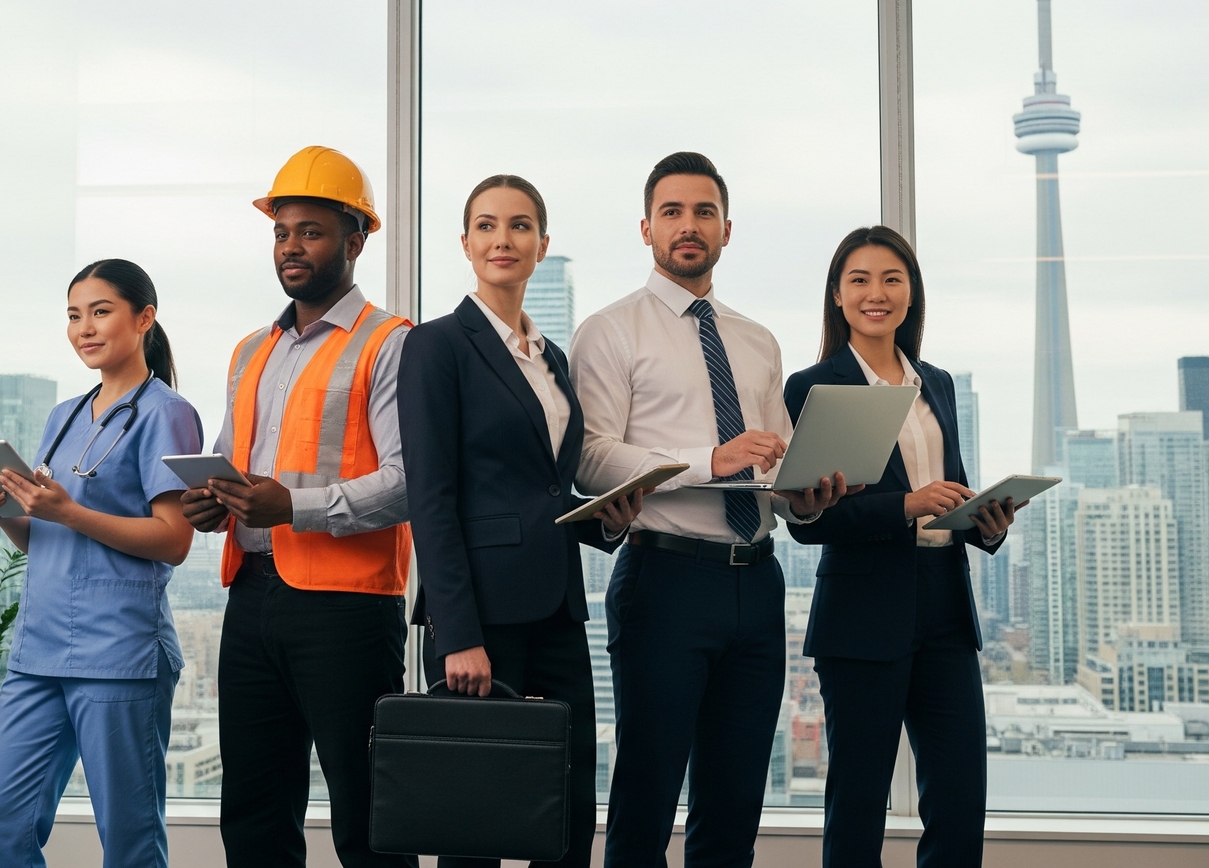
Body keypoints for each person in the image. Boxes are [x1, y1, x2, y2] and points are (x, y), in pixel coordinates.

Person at [569, 151, 852, 868]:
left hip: (756, 583)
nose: (687, 226)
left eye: (702, 212)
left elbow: (775, 462)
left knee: (733, 812)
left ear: (727, 229)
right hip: (665, 579)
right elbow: (590, 456)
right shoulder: (610, 330)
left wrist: (806, 495)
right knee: (646, 801)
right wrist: (708, 458)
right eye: (672, 211)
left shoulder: (758, 341)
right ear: (645, 228)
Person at [399, 174, 646, 868]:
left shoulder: (553, 359)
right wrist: (458, 634)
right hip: (479, 616)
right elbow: (432, 497)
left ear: (542, 244)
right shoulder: (437, 345)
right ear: (466, 243)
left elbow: (548, 486)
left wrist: (610, 519)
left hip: (558, 606)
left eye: (518, 226)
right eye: (486, 225)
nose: (502, 239)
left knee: (568, 813)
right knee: (474, 824)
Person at [179, 145, 414, 868]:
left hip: (346, 607)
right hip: (250, 598)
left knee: (371, 819)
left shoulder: (390, 342)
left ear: (355, 240)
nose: (291, 246)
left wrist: (295, 505)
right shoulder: (252, 348)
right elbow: (234, 458)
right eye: (282, 231)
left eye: (309, 231)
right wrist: (212, 501)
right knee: (252, 813)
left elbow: (410, 481)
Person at [783, 226, 1022, 868]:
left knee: (960, 798)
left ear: (911, 293)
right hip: (862, 615)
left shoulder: (936, 383)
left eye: (891, 279)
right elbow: (811, 521)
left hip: (944, 605)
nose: (876, 293)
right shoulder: (813, 387)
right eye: (859, 280)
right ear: (837, 295)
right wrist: (907, 505)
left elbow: (954, 494)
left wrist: (988, 522)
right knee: (858, 804)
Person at [0, 259, 202, 868]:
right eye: (74, 315)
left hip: (118, 653)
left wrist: (67, 513)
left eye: (101, 312)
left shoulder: (167, 413)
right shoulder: (63, 414)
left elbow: (174, 539)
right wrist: (2, 516)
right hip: (40, 651)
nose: (84, 328)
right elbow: (46, 536)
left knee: (128, 840)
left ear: (144, 318)